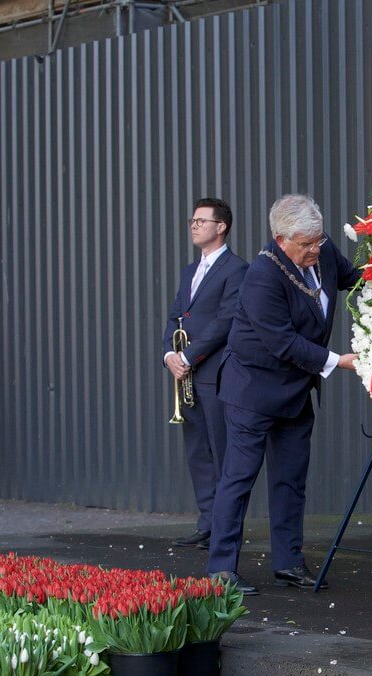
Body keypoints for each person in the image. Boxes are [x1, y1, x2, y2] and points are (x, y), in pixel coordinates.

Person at [206, 194, 360, 594]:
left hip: (295, 390)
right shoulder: (261, 275)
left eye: (318, 239)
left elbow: (354, 276)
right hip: (252, 390)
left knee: (291, 480)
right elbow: (284, 343)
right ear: (280, 239)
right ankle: (222, 568)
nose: (315, 249)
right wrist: (338, 361)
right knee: (238, 479)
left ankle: (289, 562)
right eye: (306, 243)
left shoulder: (322, 252)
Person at [163, 198, 248, 553]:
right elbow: (174, 318)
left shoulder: (236, 269)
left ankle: (225, 530)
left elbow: (226, 321)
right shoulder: (188, 272)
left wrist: (187, 355)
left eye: (201, 220)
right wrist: (169, 355)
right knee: (198, 451)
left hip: (214, 375)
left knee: (222, 453)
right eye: (192, 220)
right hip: (185, 375)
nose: (194, 225)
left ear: (221, 226)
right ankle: (206, 523)